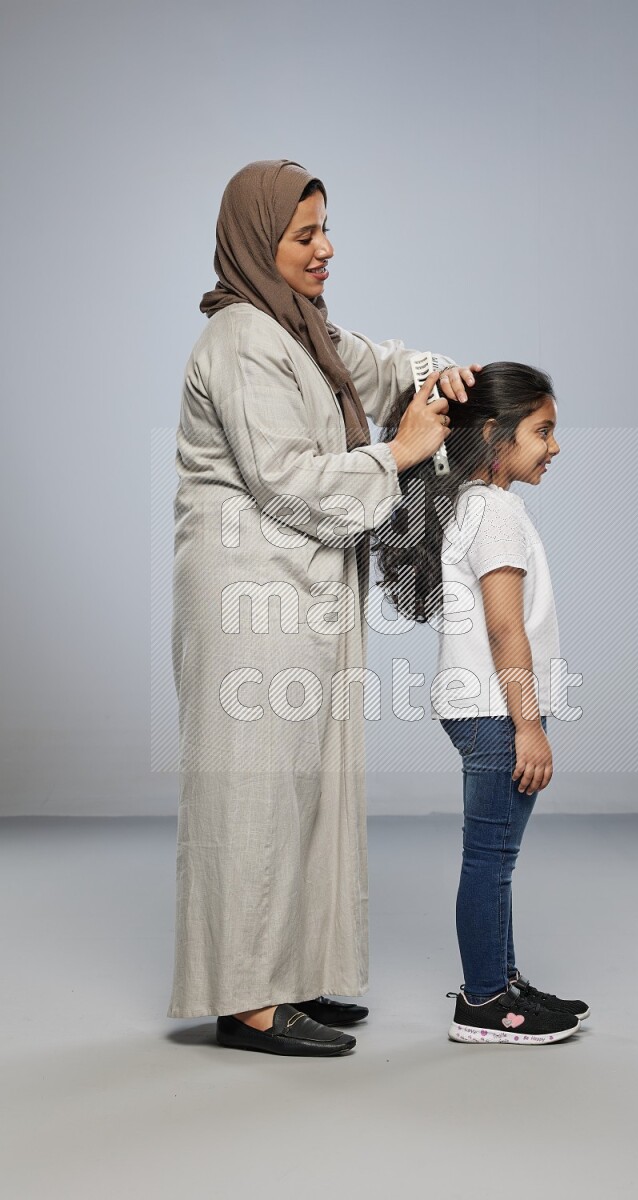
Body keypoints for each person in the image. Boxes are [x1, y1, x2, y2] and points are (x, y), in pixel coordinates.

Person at [168, 159, 478, 1057]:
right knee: (255, 790)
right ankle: (247, 1002)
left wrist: (444, 378)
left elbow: (378, 369)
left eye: (326, 229)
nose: (325, 248)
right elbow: (290, 481)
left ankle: (290, 976)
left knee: (308, 783)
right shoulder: (240, 339)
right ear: (256, 242)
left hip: (300, 588)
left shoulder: (300, 330)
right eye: (304, 235)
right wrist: (401, 454)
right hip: (247, 595)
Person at [374, 362, 590, 1045]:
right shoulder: (494, 513)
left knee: (495, 859)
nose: (555, 447)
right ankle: (485, 1002)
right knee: (491, 859)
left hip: (484, 706)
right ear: (496, 435)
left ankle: (502, 980)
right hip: (498, 711)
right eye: (542, 431)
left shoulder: (474, 504)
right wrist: (529, 725)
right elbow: (504, 627)